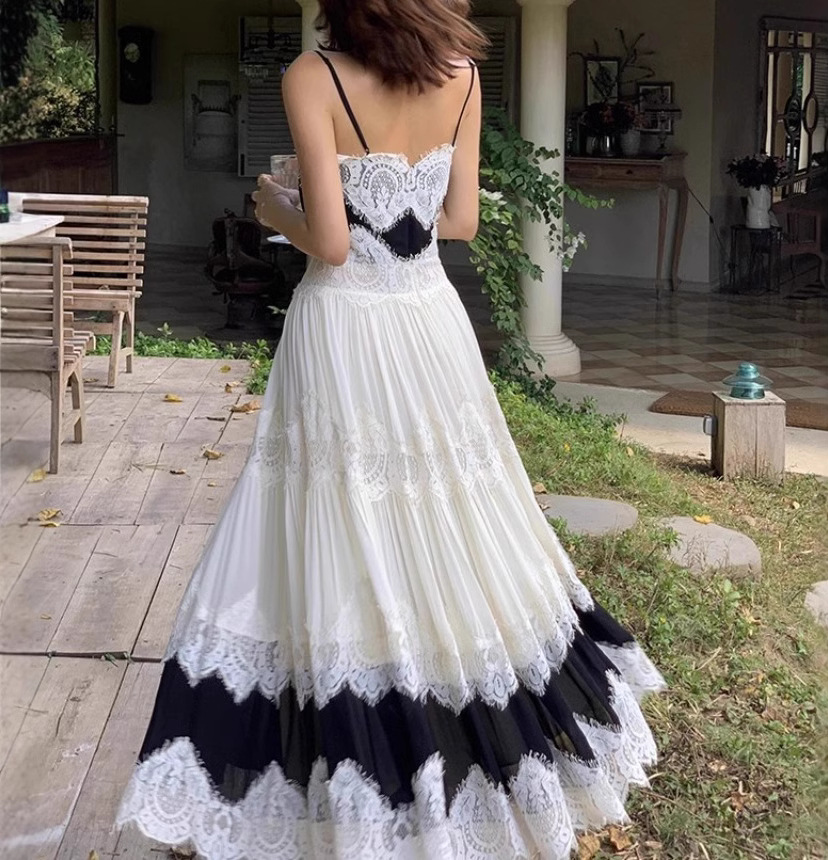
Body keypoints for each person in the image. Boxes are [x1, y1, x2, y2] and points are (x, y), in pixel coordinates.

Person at [117, 1, 665, 857]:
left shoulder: (314, 75)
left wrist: (274, 207)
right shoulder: (464, 75)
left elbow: (331, 245)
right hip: (429, 319)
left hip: (343, 327)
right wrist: (380, 217)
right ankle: (464, 719)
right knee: (451, 507)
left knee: (337, 513)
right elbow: (460, 221)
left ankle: (354, 734)